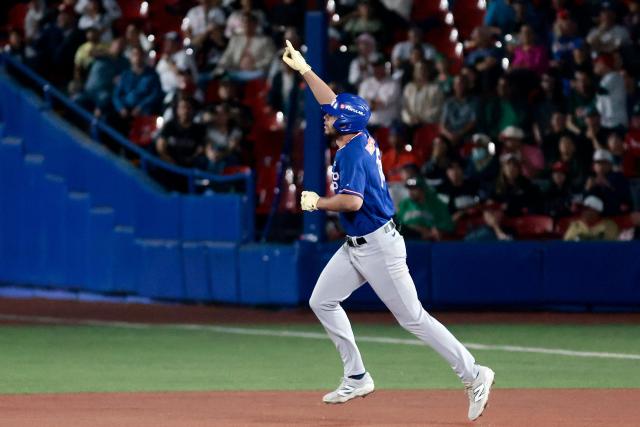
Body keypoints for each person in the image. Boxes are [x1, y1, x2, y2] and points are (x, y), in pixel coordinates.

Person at [281, 39, 495, 421]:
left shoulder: (350, 152)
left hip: (379, 246)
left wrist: (317, 203)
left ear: (344, 123)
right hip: (357, 244)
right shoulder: (356, 135)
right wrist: (304, 70)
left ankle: (474, 373)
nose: (326, 116)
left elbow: (352, 202)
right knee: (322, 301)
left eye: (332, 116)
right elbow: (332, 101)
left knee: (414, 318)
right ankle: (357, 375)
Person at [358, 56, 400, 128]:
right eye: (374, 66)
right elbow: (361, 105)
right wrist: (373, 104)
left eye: (379, 66)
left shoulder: (394, 83)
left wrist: (371, 103)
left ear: (384, 67)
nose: (377, 69)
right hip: (369, 124)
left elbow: (384, 103)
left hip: (389, 124)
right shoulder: (365, 83)